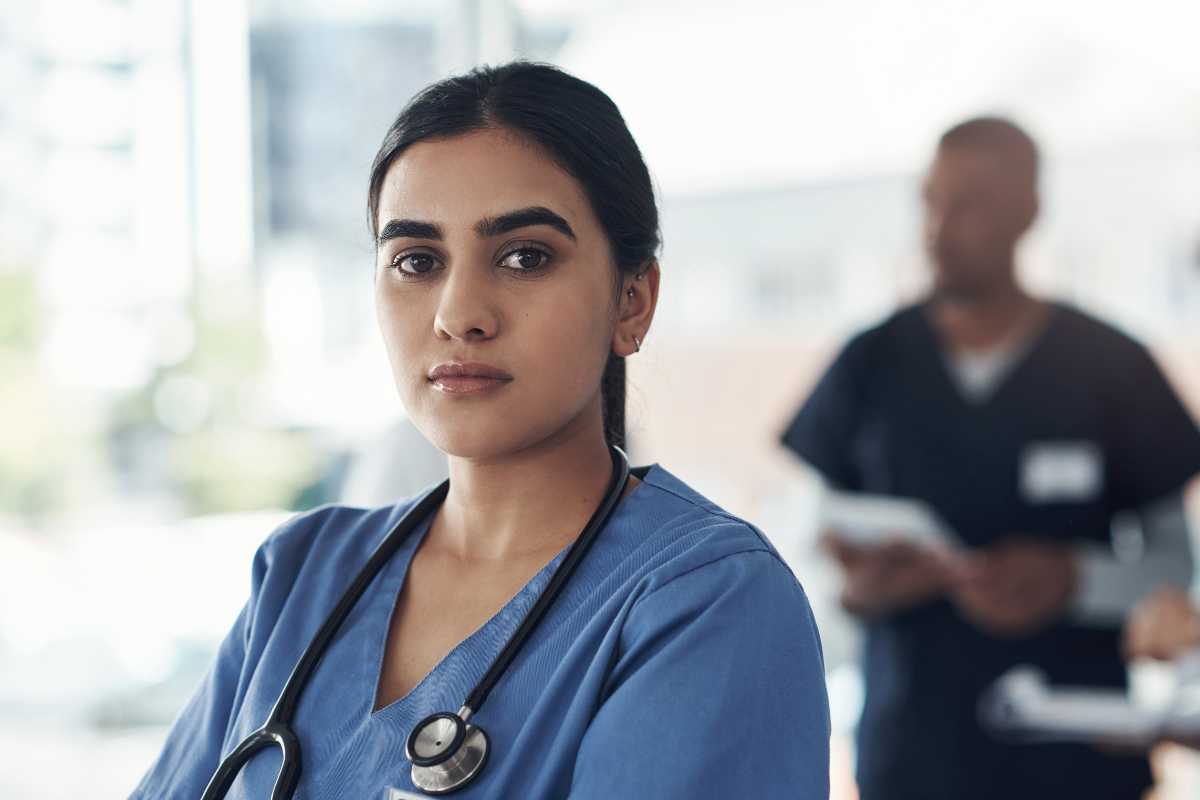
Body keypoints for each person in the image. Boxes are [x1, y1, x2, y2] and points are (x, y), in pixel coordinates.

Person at [133, 63, 830, 799]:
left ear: (632, 301)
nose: (458, 313)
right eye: (416, 261)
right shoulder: (300, 577)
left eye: (525, 257)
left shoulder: (707, 602)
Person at [781, 117, 1200, 799]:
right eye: (931, 202)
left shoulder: (1112, 366)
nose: (940, 228)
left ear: (1027, 212)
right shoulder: (871, 363)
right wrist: (858, 590)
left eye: (970, 204)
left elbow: (1175, 566)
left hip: (1079, 764)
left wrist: (1074, 580)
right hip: (913, 753)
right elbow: (810, 547)